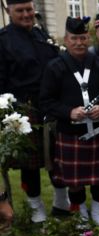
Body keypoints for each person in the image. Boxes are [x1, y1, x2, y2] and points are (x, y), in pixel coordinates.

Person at [0, 0, 70, 223]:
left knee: (57, 158)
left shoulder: (41, 34)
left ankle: (61, 203)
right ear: (8, 11)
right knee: (29, 164)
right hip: (23, 110)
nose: (26, 14)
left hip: (50, 106)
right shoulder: (3, 40)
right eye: (20, 10)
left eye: (29, 9)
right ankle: (36, 208)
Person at [39, 17, 99, 226]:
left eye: (83, 38)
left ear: (88, 38)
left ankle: (98, 211)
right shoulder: (55, 67)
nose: (79, 42)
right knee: (74, 182)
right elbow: (46, 101)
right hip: (70, 134)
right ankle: (80, 213)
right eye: (74, 38)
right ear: (66, 39)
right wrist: (68, 112)